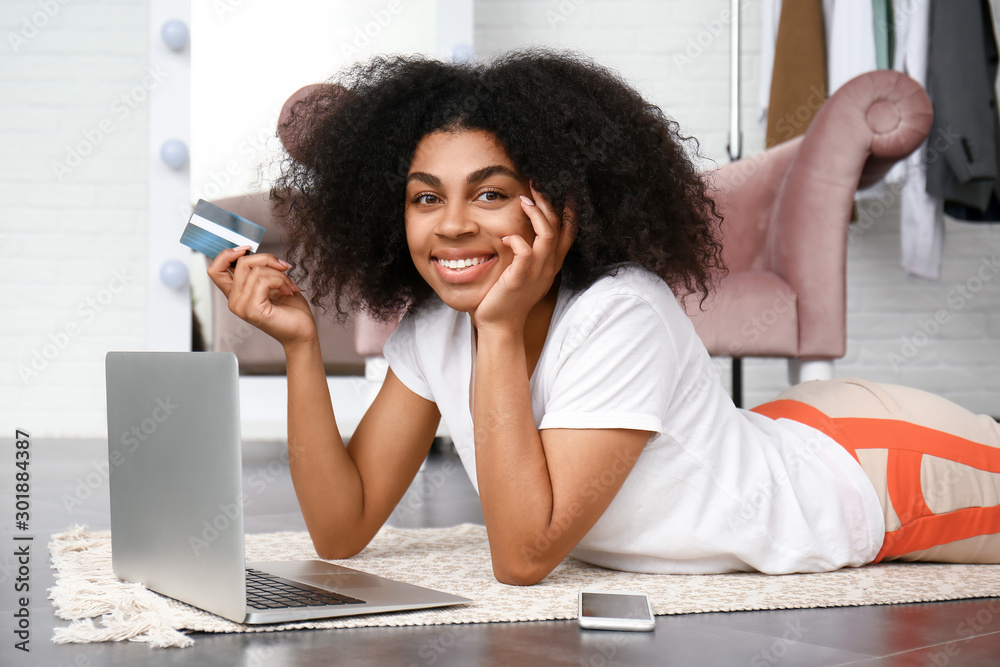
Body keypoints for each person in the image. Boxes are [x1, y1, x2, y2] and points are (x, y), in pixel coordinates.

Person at [208, 50, 1000, 585]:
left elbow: (522, 554)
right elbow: (341, 531)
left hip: (871, 474)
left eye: (489, 192)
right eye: (425, 197)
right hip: (789, 431)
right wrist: (304, 348)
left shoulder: (622, 312)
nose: (450, 225)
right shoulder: (431, 330)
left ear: (559, 201)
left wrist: (497, 328)